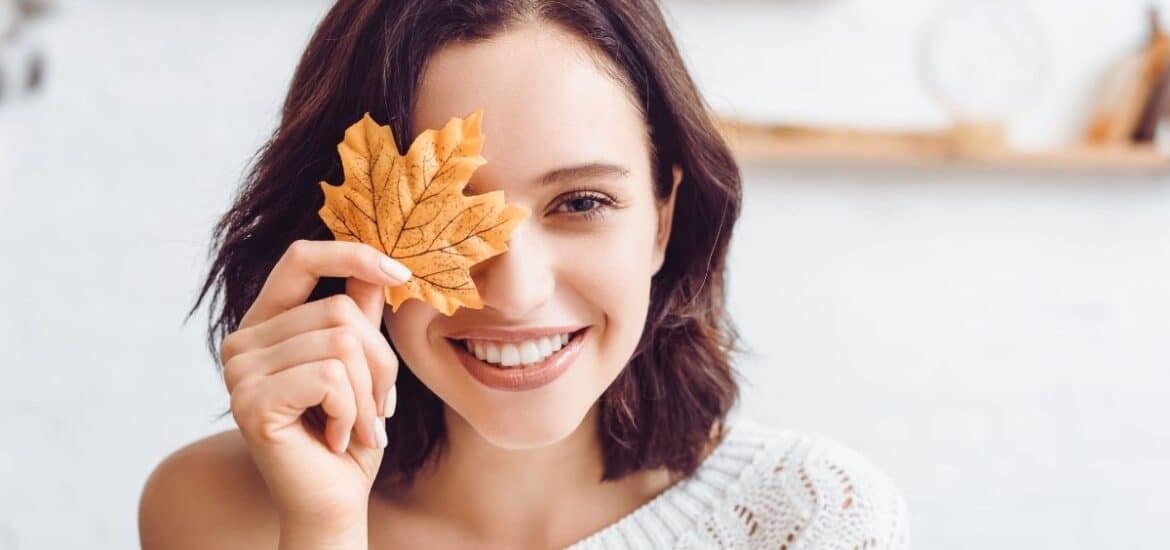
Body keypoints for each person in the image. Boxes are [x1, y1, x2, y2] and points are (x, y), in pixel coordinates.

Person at [138, 1, 910, 548]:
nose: (514, 288)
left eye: (581, 201)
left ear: (663, 220)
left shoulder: (809, 517)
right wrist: (325, 531)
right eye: (448, 216)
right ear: (343, 231)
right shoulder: (217, 512)